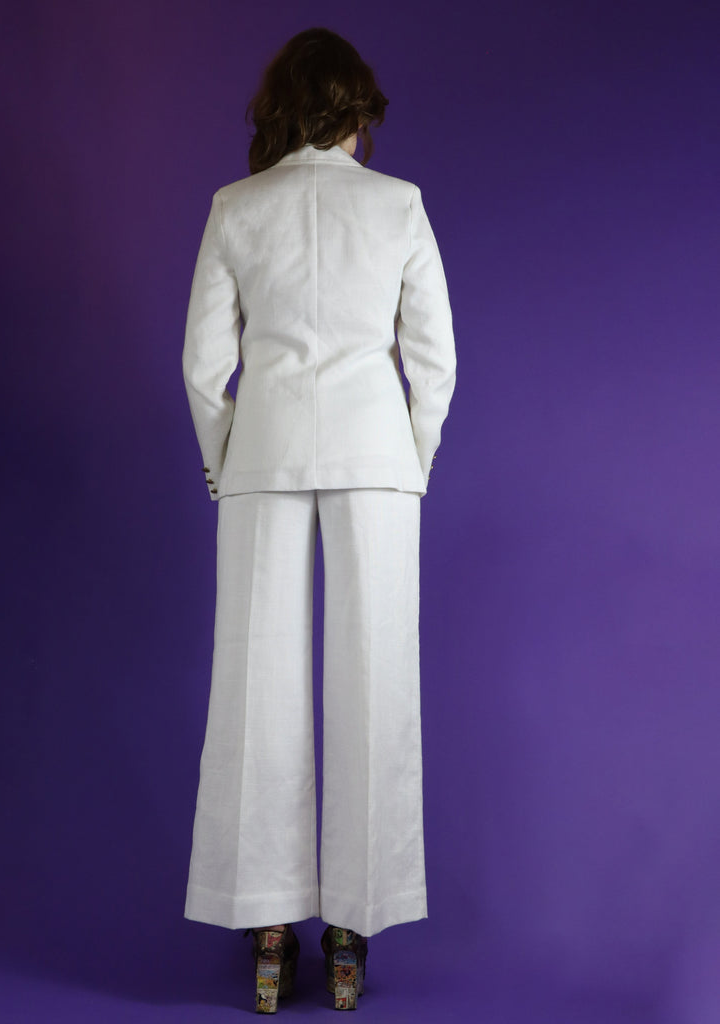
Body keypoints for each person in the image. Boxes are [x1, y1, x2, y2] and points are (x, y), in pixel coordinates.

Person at [182, 26, 457, 1013]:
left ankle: (268, 934)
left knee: (255, 686)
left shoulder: (236, 206)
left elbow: (203, 366)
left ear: (281, 107)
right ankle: (352, 931)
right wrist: (409, 462)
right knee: (376, 680)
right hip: (375, 460)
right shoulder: (398, 204)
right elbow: (434, 360)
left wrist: (225, 463)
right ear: (357, 110)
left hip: (264, 456)